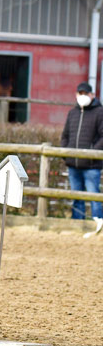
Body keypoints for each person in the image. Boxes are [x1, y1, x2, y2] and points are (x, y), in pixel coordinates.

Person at [60, 82, 103, 234]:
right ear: (76, 95)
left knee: (93, 195)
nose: (83, 96)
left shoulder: (99, 112)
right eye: (80, 93)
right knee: (76, 196)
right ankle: (77, 223)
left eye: (86, 93)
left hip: (92, 165)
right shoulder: (72, 113)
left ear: (92, 95)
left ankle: (98, 223)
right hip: (73, 164)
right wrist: (66, 152)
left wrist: (92, 153)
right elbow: (65, 135)